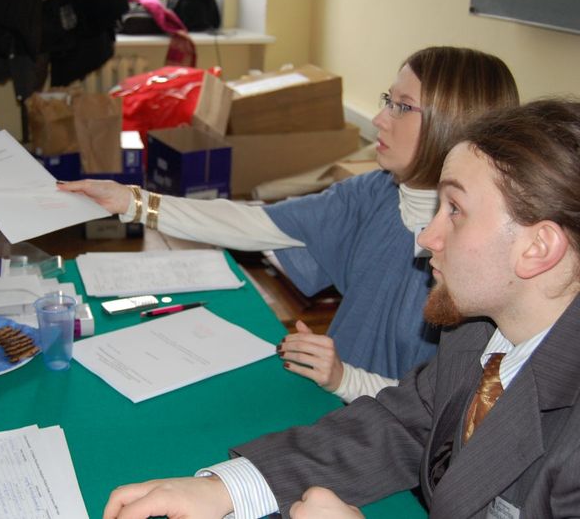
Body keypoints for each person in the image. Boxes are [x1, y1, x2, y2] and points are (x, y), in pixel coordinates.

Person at [101, 99, 580, 519]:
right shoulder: (477, 334)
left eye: (454, 210)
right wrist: (227, 488)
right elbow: (399, 425)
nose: (427, 238)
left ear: (538, 247)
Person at [59, 46, 519, 402]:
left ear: (450, 123)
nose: (380, 118)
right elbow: (255, 222)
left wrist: (346, 379)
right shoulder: (375, 192)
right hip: (332, 400)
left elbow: (451, 414)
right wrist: (132, 201)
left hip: (385, 436)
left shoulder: (482, 260)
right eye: (387, 101)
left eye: (402, 106)